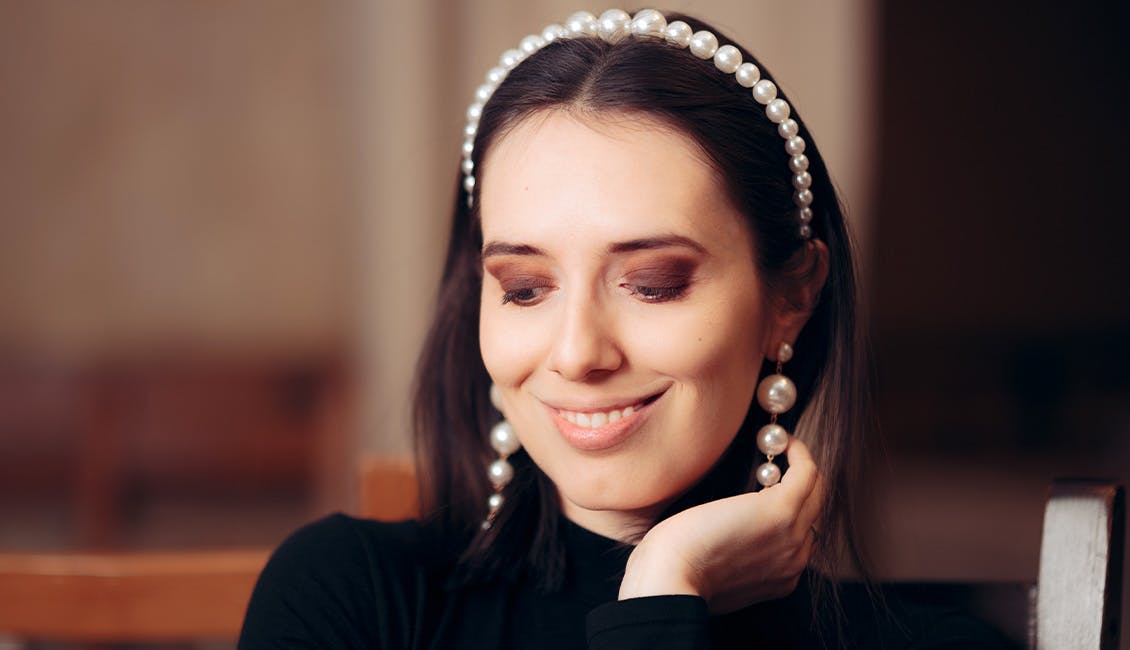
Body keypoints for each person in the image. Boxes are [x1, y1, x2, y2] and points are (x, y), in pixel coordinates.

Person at [239, 9, 1008, 649]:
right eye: (526, 288)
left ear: (792, 294)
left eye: (653, 285)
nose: (577, 353)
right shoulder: (345, 597)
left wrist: (662, 591)